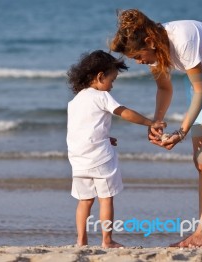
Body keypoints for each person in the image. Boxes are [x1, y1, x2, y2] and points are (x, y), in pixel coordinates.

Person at [110, 9, 202, 248]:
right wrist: (157, 122)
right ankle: (201, 231)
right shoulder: (156, 50)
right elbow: (165, 89)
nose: (138, 62)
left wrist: (181, 132)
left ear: (149, 42)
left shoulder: (181, 38)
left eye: (138, 56)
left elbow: (201, 90)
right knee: (200, 161)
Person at [66, 50, 165, 248]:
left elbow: (82, 128)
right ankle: (107, 240)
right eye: (112, 80)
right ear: (100, 76)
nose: (111, 86)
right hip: (100, 159)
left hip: (78, 159)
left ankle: (81, 241)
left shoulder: (75, 101)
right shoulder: (101, 96)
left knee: (84, 201)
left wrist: (105, 137)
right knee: (105, 199)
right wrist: (150, 122)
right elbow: (124, 113)